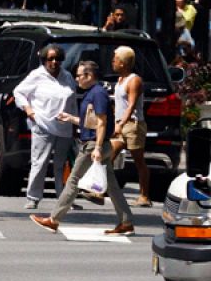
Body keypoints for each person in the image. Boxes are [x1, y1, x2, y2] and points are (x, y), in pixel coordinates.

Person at [31, 60, 134, 235]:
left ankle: (54, 220)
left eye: (79, 76)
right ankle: (126, 222)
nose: (77, 79)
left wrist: (98, 148)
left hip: (93, 145)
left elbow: (102, 122)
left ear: (89, 75)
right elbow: (91, 123)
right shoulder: (93, 92)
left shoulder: (98, 94)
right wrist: (71, 119)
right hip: (98, 143)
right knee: (112, 186)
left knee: (73, 180)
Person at [14, 44, 78, 210]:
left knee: (62, 164)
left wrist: (75, 123)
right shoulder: (37, 75)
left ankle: (64, 198)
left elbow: (72, 101)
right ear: (44, 60)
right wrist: (29, 110)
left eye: (57, 59)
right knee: (40, 162)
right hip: (42, 124)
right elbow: (19, 92)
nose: (54, 62)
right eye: (50, 59)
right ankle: (33, 197)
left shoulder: (67, 76)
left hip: (64, 127)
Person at [111, 45, 150, 207]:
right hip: (120, 125)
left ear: (123, 63)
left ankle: (144, 196)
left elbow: (131, 105)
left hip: (133, 125)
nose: (112, 62)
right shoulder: (120, 80)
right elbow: (120, 105)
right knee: (107, 157)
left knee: (139, 161)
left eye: (115, 59)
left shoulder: (134, 80)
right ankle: (99, 190)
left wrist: (121, 124)